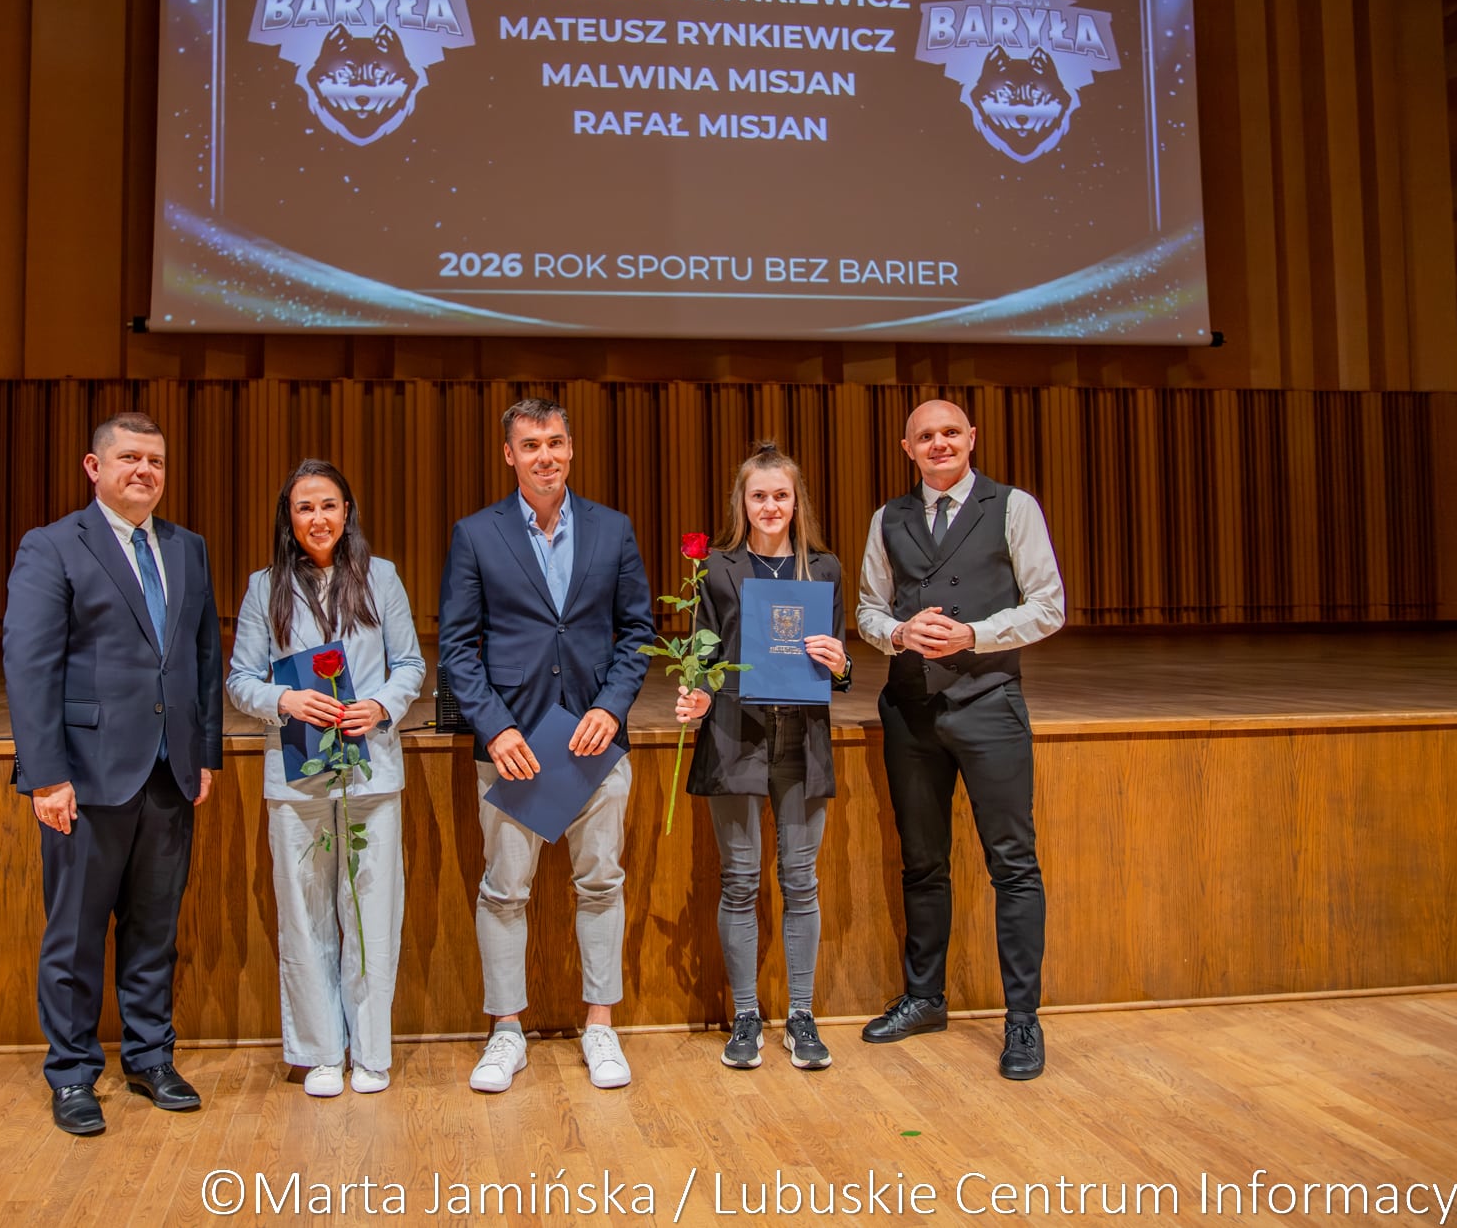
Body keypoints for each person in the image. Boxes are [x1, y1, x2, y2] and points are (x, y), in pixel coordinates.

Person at [2, 412, 223, 1136]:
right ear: (94, 467)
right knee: (74, 932)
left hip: (169, 771)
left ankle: (150, 1057)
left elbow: (200, 659)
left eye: (155, 460)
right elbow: (30, 667)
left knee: (154, 928)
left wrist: (205, 752)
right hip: (86, 777)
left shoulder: (187, 547)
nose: (144, 471)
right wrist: (45, 775)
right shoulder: (53, 546)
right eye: (129, 457)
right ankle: (71, 1072)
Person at [438, 397, 653, 1093]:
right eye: (530, 445)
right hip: (515, 747)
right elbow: (456, 649)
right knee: (504, 892)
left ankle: (600, 1025)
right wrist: (495, 727)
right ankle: (506, 1031)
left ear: (572, 447)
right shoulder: (475, 534)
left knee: (601, 883)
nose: (545, 456)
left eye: (555, 442)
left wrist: (610, 706)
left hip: (595, 743)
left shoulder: (613, 530)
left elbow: (636, 634)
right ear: (509, 454)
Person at [855, 399, 1065, 1080]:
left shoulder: (1012, 507)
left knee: (1013, 863)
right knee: (923, 862)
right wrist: (894, 634)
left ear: (971, 438)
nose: (939, 443)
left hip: (989, 702)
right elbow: (866, 608)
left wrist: (977, 634)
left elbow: (1049, 604)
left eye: (950, 432)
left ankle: (1023, 1019)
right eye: (926, 436)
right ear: (907, 447)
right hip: (911, 709)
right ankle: (923, 998)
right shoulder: (889, 518)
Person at [227, 460, 424, 1098]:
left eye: (330, 506)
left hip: (371, 770)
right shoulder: (264, 588)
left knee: (372, 910)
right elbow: (239, 681)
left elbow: (412, 663)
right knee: (305, 913)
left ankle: (370, 1052)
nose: (318, 519)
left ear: (347, 513)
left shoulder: (381, 577)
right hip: (297, 775)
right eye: (305, 507)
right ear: (289, 517)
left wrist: (383, 705)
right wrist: (283, 702)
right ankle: (319, 1053)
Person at [673, 442, 852, 1071]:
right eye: (759, 496)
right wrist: (696, 693)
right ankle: (746, 1015)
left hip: (802, 740)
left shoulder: (823, 569)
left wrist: (841, 663)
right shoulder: (718, 570)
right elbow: (705, 660)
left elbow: (838, 667)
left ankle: (801, 1014)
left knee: (800, 881)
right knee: (741, 880)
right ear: (742, 504)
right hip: (735, 737)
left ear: (795, 500)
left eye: (781, 495)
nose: (771, 506)